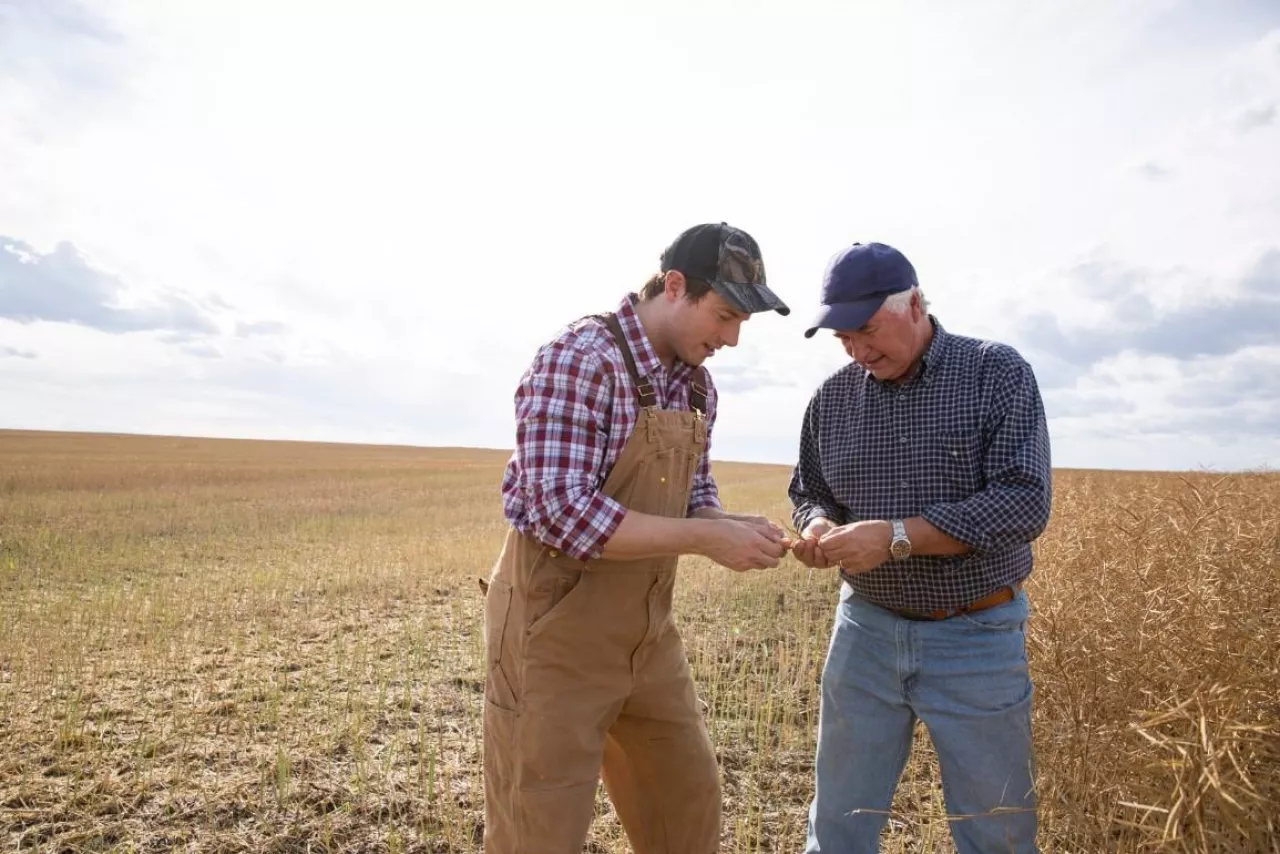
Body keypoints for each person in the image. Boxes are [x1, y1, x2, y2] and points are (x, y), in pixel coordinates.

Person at [483, 222, 792, 854]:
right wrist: (706, 542)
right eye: (726, 315)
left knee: (686, 803)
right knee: (538, 829)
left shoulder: (696, 384)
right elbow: (560, 511)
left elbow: (694, 497)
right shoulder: (582, 358)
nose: (732, 339)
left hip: (647, 637)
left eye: (742, 325)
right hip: (554, 640)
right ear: (675, 286)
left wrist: (733, 528)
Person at [787, 241, 1053, 854]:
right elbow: (809, 489)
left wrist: (896, 537)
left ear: (912, 303)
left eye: (867, 330)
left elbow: (1023, 502)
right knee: (838, 828)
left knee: (998, 831)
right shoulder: (831, 400)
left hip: (977, 637)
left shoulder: (995, 373)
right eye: (843, 338)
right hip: (864, 634)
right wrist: (819, 527)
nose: (857, 349)